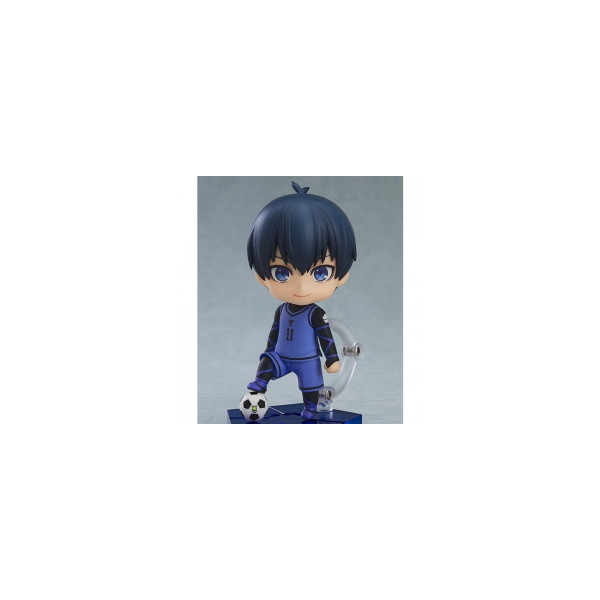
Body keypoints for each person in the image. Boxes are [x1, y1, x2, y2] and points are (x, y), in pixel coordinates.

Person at [246, 181, 357, 419]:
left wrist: (332, 359)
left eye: (320, 273)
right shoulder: (281, 310)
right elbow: (274, 333)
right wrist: (268, 351)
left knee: (311, 391)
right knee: (266, 362)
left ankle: (310, 408)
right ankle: (259, 386)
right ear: (261, 276)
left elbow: (325, 336)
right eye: (282, 273)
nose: (302, 287)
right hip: (280, 357)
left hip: (307, 361)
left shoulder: (315, 314)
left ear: (342, 275)